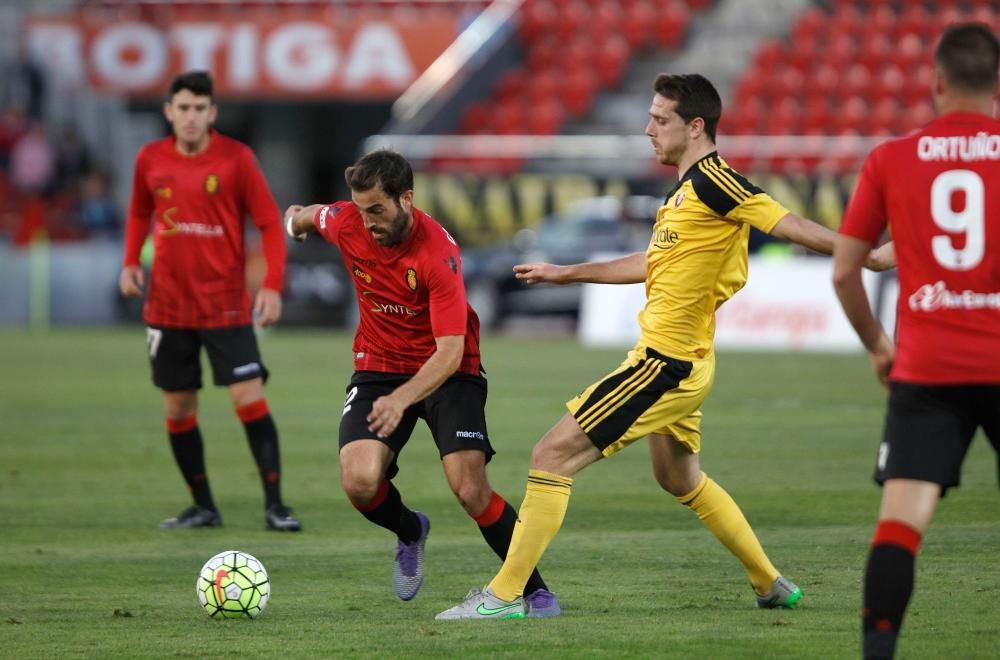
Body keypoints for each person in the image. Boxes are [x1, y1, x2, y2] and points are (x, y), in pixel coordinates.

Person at [437, 73, 894, 620]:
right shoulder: (684, 192)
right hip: (679, 360)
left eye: (660, 119)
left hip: (665, 366)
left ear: (695, 126)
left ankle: (506, 596)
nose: (648, 129)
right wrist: (567, 272)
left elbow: (788, 222)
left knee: (550, 456)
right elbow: (651, 262)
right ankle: (770, 583)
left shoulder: (716, 182)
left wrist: (863, 255)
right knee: (679, 478)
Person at [283, 149, 560, 616]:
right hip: (378, 364)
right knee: (359, 482)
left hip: (448, 369)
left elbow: (449, 353)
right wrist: (293, 224)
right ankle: (410, 529)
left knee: (470, 488)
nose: (368, 222)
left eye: (378, 210)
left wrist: (401, 399)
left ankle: (535, 592)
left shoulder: (438, 253)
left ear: (406, 199)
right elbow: (308, 216)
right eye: (362, 209)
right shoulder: (347, 219)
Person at [833, 23, 1000, 660]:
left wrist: (879, 345)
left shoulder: (891, 159)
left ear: (934, 82)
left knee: (901, 524)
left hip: (926, 370)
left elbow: (847, 269)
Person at [118, 70, 301, 532]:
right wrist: (130, 262)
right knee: (178, 408)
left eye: (200, 108)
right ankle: (203, 507)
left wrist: (273, 285)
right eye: (183, 108)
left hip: (225, 304)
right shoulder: (149, 159)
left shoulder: (237, 159)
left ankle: (276, 506)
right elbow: (140, 209)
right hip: (167, 306)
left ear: (212, 112)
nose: (191, 117)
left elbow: (267, 223)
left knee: (249, 399)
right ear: (169, 112)